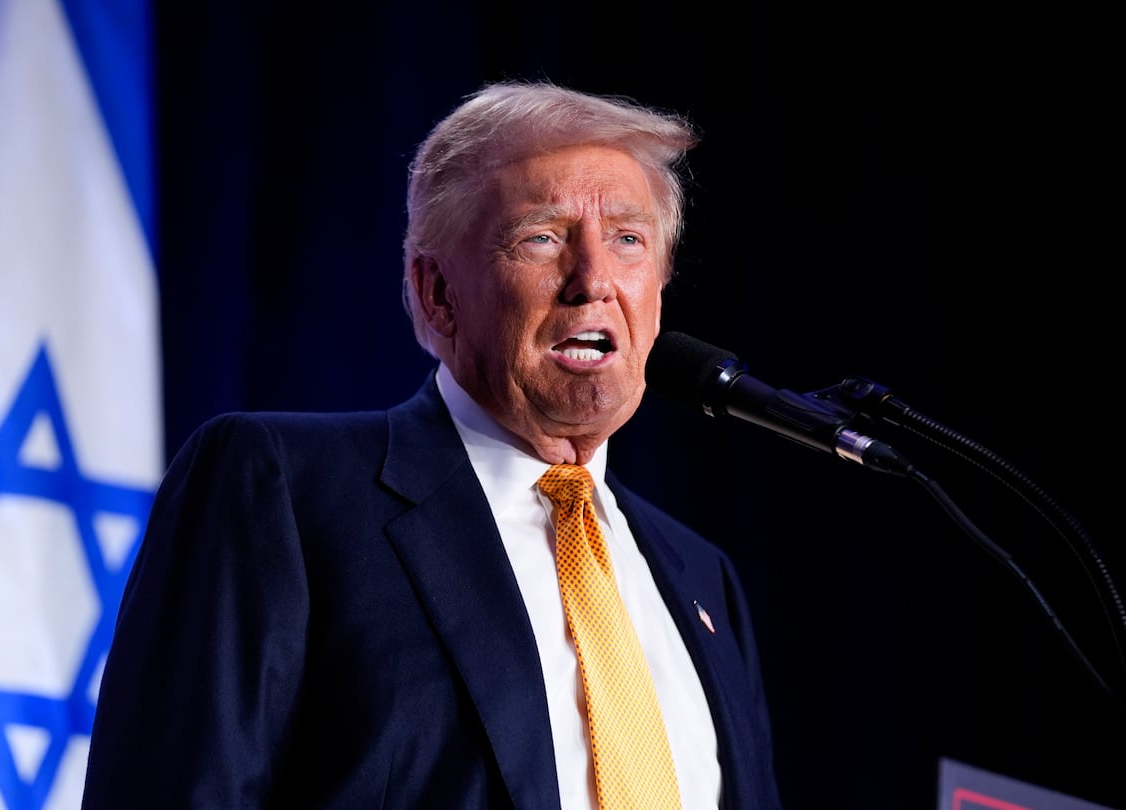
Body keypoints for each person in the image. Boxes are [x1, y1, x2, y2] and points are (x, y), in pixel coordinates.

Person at [82, 80, 783, 809]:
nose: (594, 280)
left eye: (628, 240)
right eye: (542, 238)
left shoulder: (704, 579)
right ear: (437, 294)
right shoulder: (283, 489)